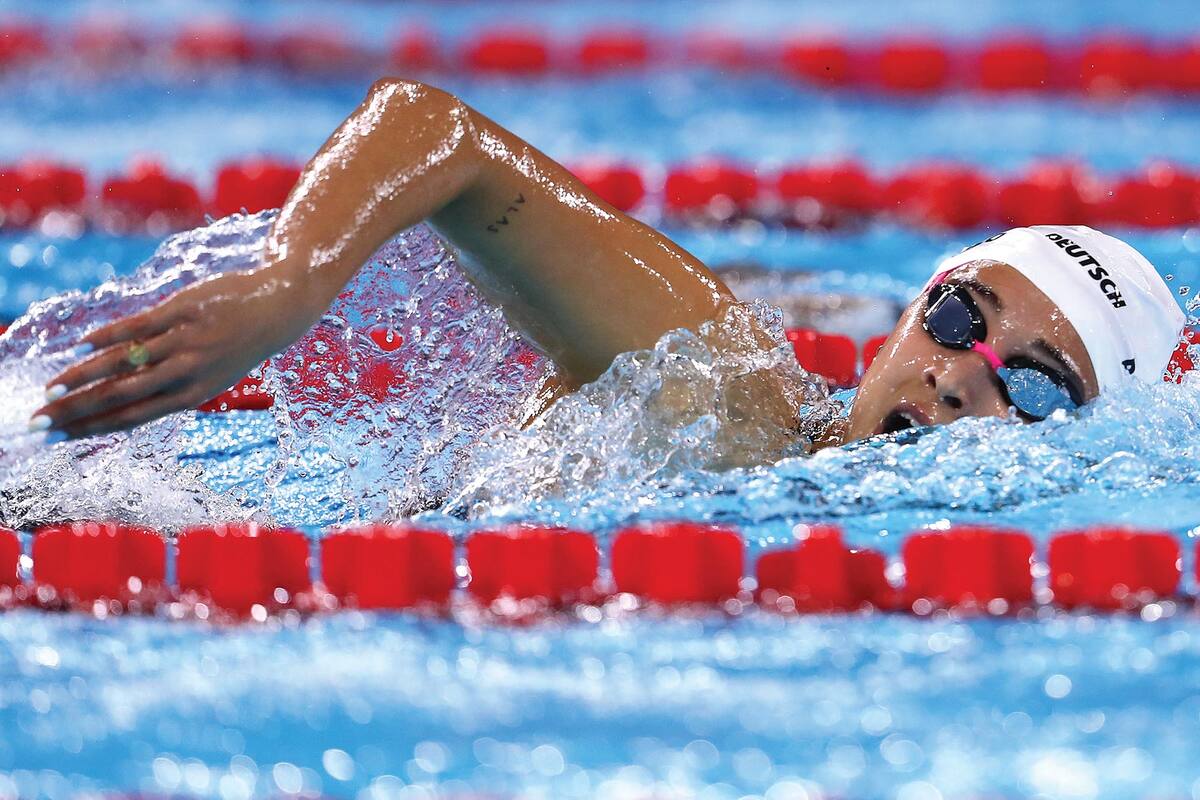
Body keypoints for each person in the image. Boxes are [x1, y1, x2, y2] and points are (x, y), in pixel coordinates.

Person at [26, 79, 1186, 450]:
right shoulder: (718, 383)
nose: (959, 374)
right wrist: (293, 275)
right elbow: (435, 130)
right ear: (909, 307)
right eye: (957, 317)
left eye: (1035, 383)